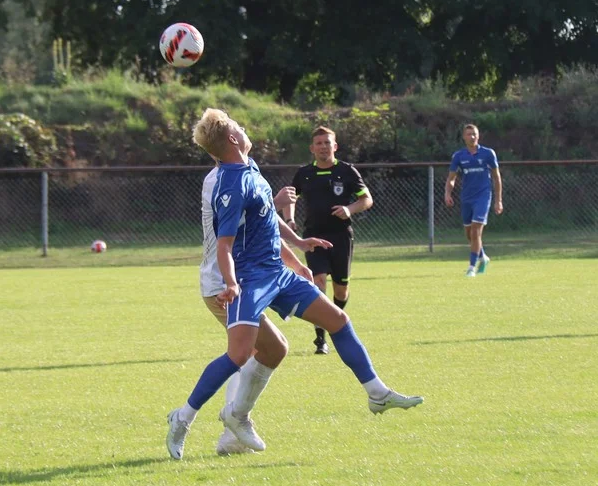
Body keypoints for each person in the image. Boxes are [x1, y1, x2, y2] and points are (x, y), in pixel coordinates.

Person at [166, 109, 423, 460]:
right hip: (246, 280)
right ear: (231, 139)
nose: (244, 128)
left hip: (274, 271)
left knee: (334, 321)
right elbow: (225, 245)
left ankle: (376, 392)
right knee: (240, 354)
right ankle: (184, 417)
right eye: (239, 126)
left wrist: (298, 248)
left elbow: (266, 219)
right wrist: (231, 283)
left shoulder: (249, 167)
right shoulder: (226, 183)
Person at [199, 166, 308, 456]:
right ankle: (222, 428)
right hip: (224, 283)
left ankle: (230, 430)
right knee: (249, 351)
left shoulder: (248, 169)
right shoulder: (218, 179)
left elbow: (263, 228)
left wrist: (295, 260)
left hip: (246, 279)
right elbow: (234, 225)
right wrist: (275, 202)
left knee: (256, 351)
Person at [286, 126, 372, 355]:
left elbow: (366, 199)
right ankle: (320, 338)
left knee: (341, 290)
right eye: (319, 143)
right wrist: (290, 218)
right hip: (313, 236)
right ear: (312, 148)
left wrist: (349, 208)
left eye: (327, 143)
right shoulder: (304, 173)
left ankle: (336, 322)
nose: (323, 146)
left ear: (335, 146)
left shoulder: (347, 171)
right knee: (319, 282)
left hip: (341, 237)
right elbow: (290, 197)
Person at [444, 124, 504, 277]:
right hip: (466, 197)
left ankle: (471, 267)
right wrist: (448, 193)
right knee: (469, 234)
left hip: (483, 196)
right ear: (464, 137)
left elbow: (497, 178)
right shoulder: (458, 156)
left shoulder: (488, 153)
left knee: (476, 229)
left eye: (474, 134)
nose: (472, 137)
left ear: (478, 136)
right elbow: (452, 178)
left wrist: (498, 200)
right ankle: (483, 257)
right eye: (469, 134)